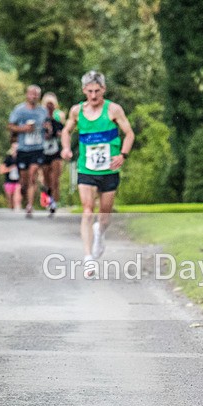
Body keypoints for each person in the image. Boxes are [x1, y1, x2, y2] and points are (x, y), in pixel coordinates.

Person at [60, 71, 135, 277]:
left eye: (97, 91)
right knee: (87, 210)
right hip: (86, 168)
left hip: (109, 168)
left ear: (103, 90)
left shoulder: (113, 109)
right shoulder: (77, 111)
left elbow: (129, 133)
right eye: (89, 91)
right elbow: (66, 131)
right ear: (84, 90)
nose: (93, 95)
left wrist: (123, 155)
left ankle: (100, 234)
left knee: (104, 215)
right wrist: (66, 149)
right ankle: (88, 258)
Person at [8, 85, 48, 218]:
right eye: (32, 93)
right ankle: (25, 195)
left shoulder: (43, 111)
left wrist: (47, 128)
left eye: (36, 94)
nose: (34, 96)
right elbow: (10, 126)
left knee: (33, 176)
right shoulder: (19, 110)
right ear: (27, 94)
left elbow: (48, 126)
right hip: (23, 149)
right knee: (24, 181)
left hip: (38, 148)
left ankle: (30, 206)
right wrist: (23, 129)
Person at [41, 91, 65, 216]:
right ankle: (47, 199)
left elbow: (63, 132)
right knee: (45, 179)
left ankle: (54, 202)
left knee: (55, 178)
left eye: (51, 104)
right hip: (44, 151)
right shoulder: (40, 117)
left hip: (56, 150)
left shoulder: (59, 116)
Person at [0, 140, 21, 210]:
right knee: (10, 202)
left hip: (18, 182)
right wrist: (10, 169)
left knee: (17, 199)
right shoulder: (8, 158)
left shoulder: (21, 158)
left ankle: (18, 209)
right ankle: (12, 212)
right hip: (8, 182)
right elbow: (1, 171)